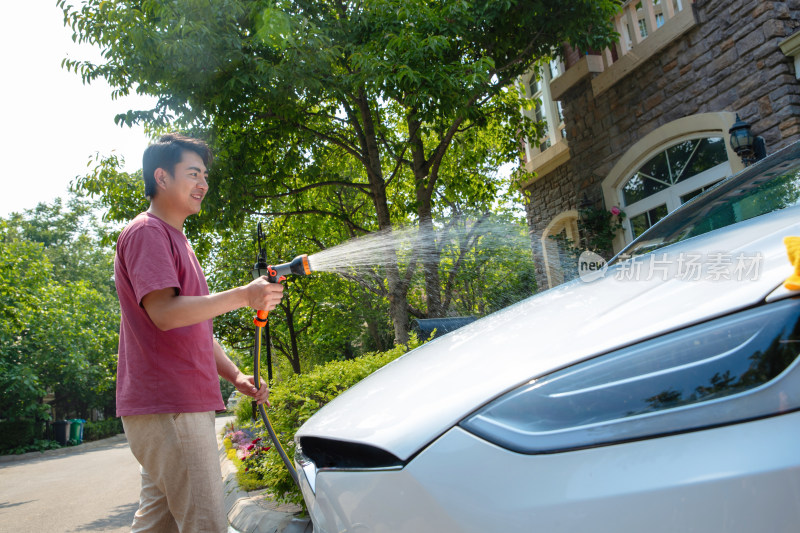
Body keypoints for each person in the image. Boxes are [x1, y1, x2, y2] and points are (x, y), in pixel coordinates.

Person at [114, 133, 284, 532]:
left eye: (205, 174)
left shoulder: (176, 240)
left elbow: (194, 329)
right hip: (170, 405)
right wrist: (244, 295)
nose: (203, 183)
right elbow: (166, 315)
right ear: (162, 177)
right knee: (205, 524)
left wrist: (235, 375)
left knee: (158, 525)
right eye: (193, 173)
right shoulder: (148, 233)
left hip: (171, 405)